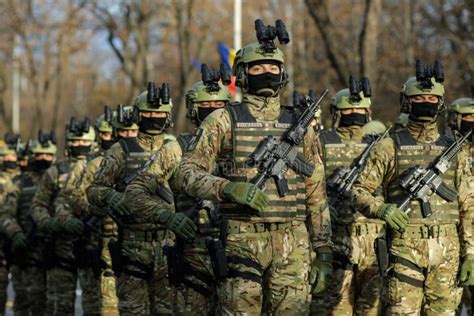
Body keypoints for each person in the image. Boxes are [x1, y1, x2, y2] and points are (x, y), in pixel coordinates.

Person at [174, 19, 332, 314]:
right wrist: (227, 188)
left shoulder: (300, 125)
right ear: (243, 74)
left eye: (273, 68)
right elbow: (186, 173)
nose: (266, 73)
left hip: (293, 242)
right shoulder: (222, 120)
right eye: (257, 68)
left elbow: (316, 191)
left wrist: (323, 249)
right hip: (240, 239)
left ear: (282, 73)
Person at [350, 61, 473, 315]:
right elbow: (358, 190)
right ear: (406, 102)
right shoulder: (388, 147)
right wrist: (381, 209)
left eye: (431, 97)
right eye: (419, 97)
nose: (425, 102)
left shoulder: (455, 150)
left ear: (441, 103)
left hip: (448, 254)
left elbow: (468, 204)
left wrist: (470, 252)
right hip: (404, 250)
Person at [125, 68, 232, 315]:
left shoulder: (243, 146)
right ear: (193, 109)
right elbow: (135, 192)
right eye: (207, 104)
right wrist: (167, 216)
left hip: (241, 255)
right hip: (194, 260)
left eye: (220, 104)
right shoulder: (177, 149)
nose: (214, 110)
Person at [87, 84, 178, 315]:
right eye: (148, 113)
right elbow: (94, 190)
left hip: (169, 246)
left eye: (159, 113)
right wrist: (111, 197)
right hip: (132, 246)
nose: (154, 118)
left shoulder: (176, 149)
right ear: (138, 115)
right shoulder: (120, 150)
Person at [312, 78, 385, 315]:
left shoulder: (381, 145)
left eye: (359, 109)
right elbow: (308, 185)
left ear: (368, 112)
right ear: (336, 112)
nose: (354, 113)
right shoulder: (321, 143)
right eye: (348, 109)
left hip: (373, 241)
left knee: (371, 310)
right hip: (336, 239)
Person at [70, 105, 140, 316]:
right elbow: (79, 198)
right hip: (109, 243)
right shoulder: (97, 164)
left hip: (143, 243)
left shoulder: (152, 158)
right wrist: (102, 206)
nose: (127, 135)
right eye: (123, 131)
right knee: (109, 307)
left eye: (132, 131)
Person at [31, 117, 95, 315]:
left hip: (90, 248)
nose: (79, 146)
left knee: (93, 306)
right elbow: (38, 206)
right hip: (60, 250)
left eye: (84, 142)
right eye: (75, 142)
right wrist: (52, 224)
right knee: (61, 307)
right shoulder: (54, 171)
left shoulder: (100, 167)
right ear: (68, 143)